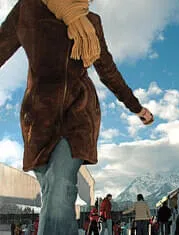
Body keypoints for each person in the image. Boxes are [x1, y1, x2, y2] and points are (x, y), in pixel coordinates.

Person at [0, 0, 153, 234]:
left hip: (78, 116)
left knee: (61, 185)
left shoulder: (91, 22)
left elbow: (108, 71)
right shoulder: (28, 8)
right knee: (53, 192)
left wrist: (136, 107)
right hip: (39, 121)